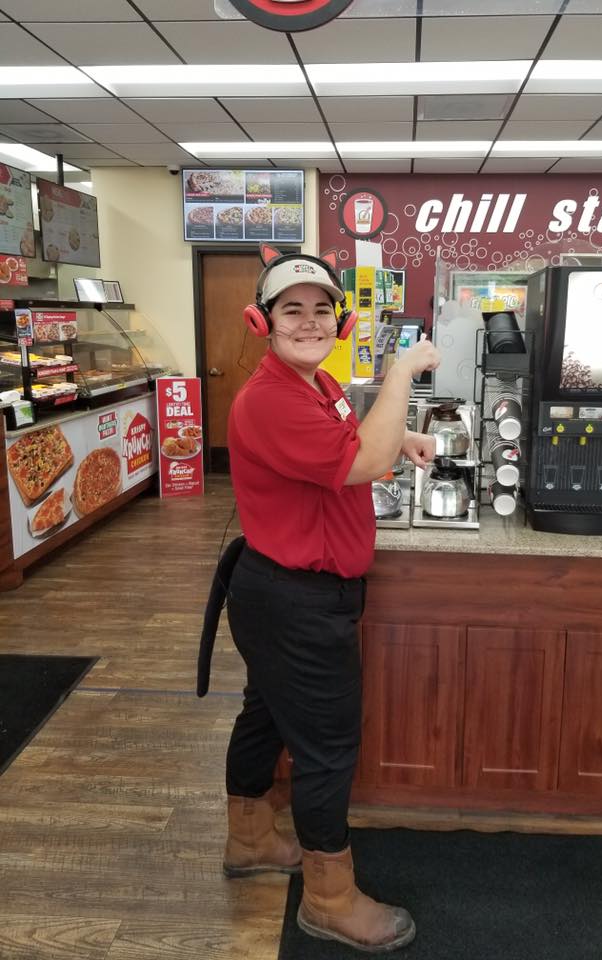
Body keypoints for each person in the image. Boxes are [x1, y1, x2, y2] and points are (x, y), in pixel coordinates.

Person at [208, 244, 440, 953]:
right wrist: (400, 371)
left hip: (283, 595)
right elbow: (358, 459)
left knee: (266, 717)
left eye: (320, 310)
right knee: (327, 749)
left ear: (339, 322)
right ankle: (330, 900)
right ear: (262, 321)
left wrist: (399, 434)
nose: (308, 322)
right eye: (291, 310)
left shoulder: (316, 382)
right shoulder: (269, 398)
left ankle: (251, 839)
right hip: (296, 603)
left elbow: (347, 442)